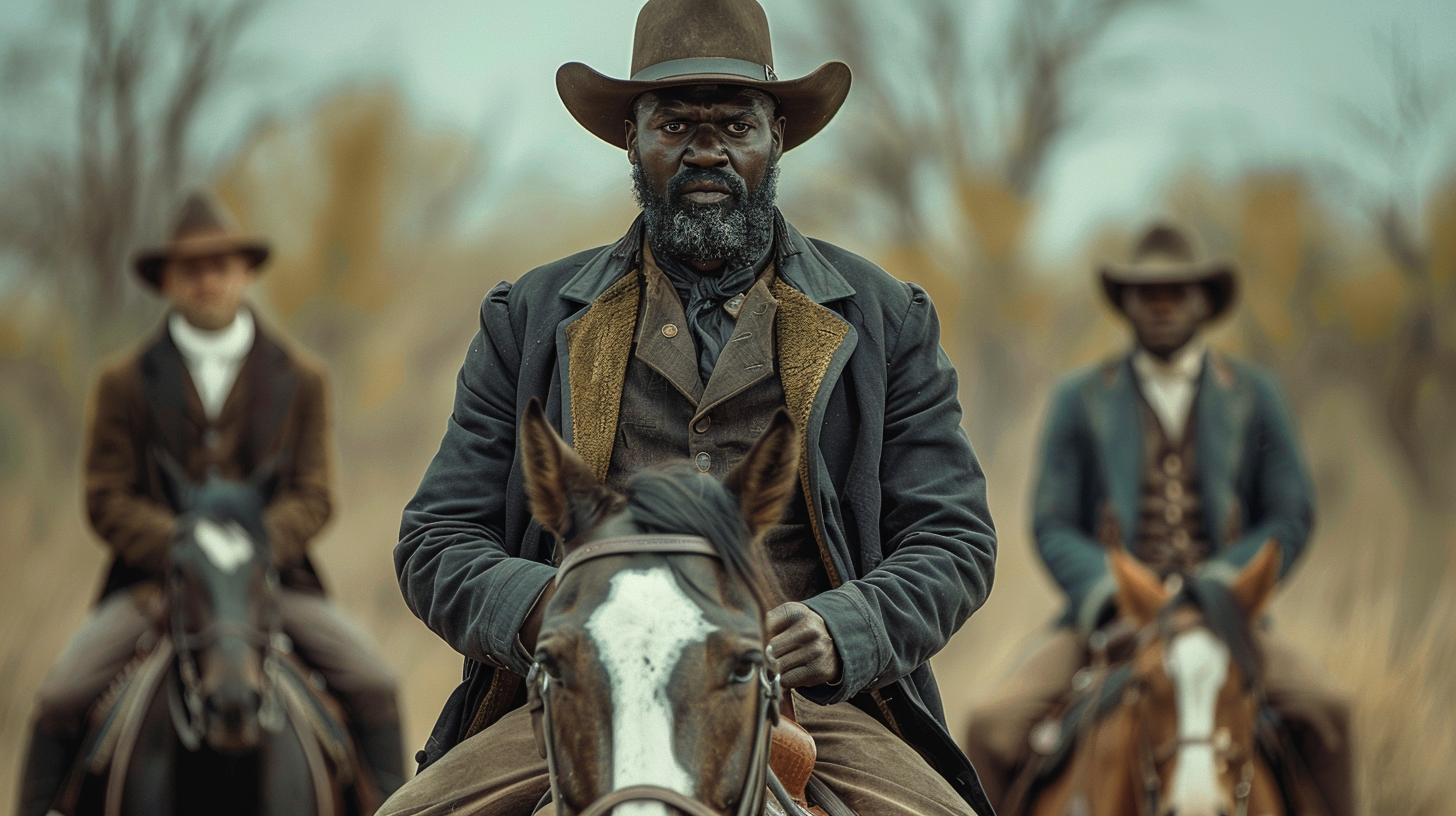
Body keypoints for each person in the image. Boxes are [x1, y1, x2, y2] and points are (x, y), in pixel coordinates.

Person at [384, 1, 998, 814]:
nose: (707, 149)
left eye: (734, 124)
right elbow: (435, 538)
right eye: (675, 124)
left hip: (808, 700)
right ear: (629, 139)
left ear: (777, 135)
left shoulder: (886, 321)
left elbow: (954, 540)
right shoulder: (527, 319)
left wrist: (844, 628)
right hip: (580, 698)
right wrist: (556, 614)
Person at [16, 193, 405, 816]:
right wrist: (184, 548)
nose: (207, 281)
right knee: (60, 699)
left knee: (375, 685)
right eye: (190, 269)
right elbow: (105, 496)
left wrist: (247, 555)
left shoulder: (300, 377)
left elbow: (315, 494)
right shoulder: (124, 381)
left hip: (275, 584)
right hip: (151, 587)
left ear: (246, 273)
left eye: (220, 266)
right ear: (166, 280)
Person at [962, 223, 1352, 816]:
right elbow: (1052, 523)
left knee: (1330, 713)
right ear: (1127, 304)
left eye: (1177, 291)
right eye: (1148, 292)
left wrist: (1220, 588)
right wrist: (1115, 590)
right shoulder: (1080, 397)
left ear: (1204, 300)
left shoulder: (1254, 393)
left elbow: (1290, 514)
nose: (1163, 304)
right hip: (1114, 617)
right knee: (991, 727)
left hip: (1228, 619)